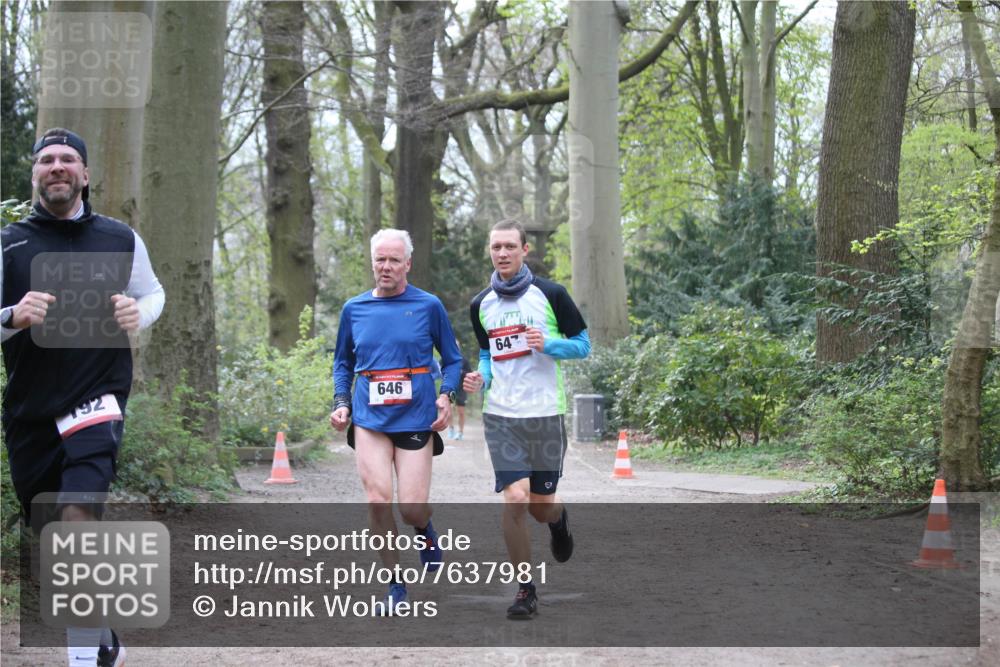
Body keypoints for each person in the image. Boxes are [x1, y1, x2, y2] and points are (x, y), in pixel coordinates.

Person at [1, 128, 165, 666]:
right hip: (30, 410)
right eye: (46, 160)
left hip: (96, 400)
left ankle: (81, 663)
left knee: (77, 523)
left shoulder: (119, 238)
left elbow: (153, 291)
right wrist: (12, 317)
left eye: (68, 159)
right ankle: (101, 638)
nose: (57, 167)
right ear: (35, 176)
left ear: (85, 175)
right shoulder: (9, 244)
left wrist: (137, 314)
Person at [330, 228, 462, 614]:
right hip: (369, 415)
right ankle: (395, 584)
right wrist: (342, 402)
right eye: (379, 260)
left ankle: (424, 531)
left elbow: (452, 359)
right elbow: (343, 362)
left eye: (393, 260)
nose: (385, 267)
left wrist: (446, 393)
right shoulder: (354, 309)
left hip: (416, 415)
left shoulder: (428, 305)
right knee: (377, 500)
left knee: (412, 508)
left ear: (408, 263)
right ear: (372, 262)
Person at [464, 218, 590, 620]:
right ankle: (525, 589)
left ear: (524, 250)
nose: (502, 253)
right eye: (495, 247)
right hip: (502, 416)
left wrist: (549, 344)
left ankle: (558, 520)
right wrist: (480, 377)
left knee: (541, 508)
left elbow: (583, 346)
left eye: (509, 247)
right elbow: (487, 355)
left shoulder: (551, 294)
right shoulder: (480, 304)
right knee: (515, 498)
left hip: (545, 415)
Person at [448, 340, 473, 440]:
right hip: (451, 388)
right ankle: (451, 429)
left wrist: (462, 372)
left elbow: (469, 373)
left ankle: (460, 432)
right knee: (449, 409)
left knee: (461, 412)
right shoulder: (447, 359)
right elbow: (442, 371)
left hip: (461, 389)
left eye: (457, 346)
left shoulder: (464, 361)